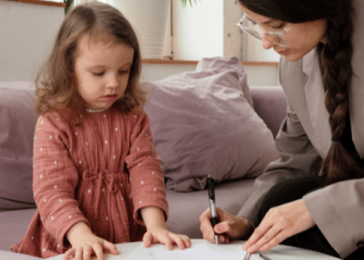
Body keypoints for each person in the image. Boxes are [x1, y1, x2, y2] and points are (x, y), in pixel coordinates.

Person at [12, 2, 191, 259]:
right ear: (68, 68)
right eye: (99, 72)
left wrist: (155, 226)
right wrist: (81, 236)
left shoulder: (134, 118)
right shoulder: (54, 122)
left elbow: (146, 171)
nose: (114, 83)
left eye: (123, 71)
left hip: (125, 236)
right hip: (70, 238)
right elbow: (51, 191)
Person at [199, 0, 364, 259]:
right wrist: (245, 221)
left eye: (275, 26)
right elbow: (293, 156)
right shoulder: (293, 66)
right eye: (256, 26)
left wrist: (319, 208)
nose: (265, 43)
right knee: (279, 199)